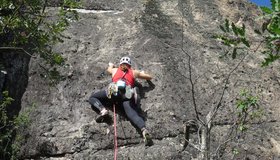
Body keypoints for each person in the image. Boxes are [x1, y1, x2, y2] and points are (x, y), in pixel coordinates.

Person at [88, 56, 153, 146]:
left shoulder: (115, 70)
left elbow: (109, 69)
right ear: (130, 65)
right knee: (132, 114)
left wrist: (111, 65)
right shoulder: (134, 72)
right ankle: (144, 130)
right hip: (126, 95)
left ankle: (103, 110)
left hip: (114, 93)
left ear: (120, 64)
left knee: (93, 97)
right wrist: (142, 73)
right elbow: (150, 77)